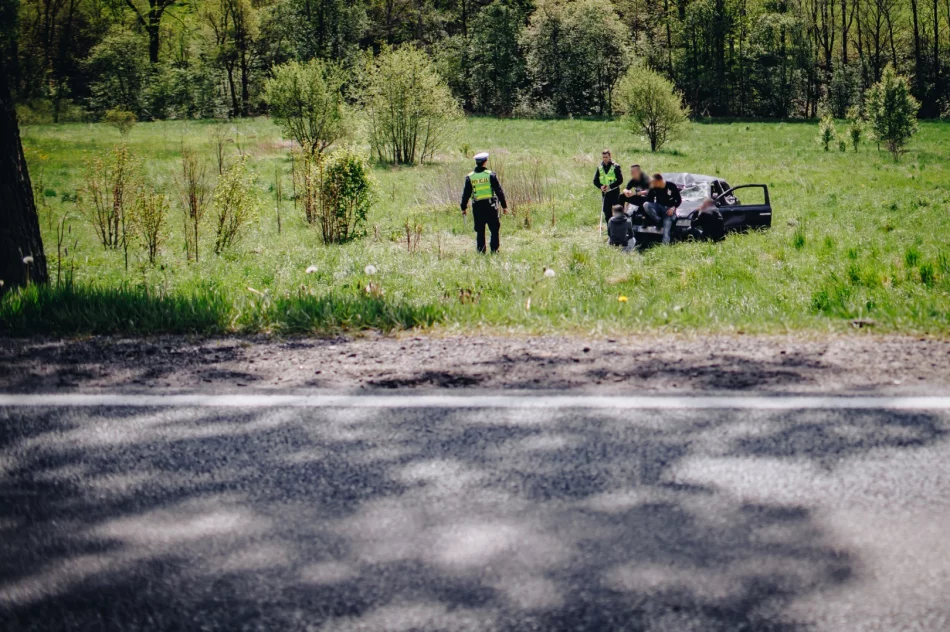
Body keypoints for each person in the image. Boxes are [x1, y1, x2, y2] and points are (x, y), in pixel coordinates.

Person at [460, 151, 508, 253]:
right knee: (494, 229)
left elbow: (466, 194)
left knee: (480, 230)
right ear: (485, 162)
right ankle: (494, 250)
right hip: (490, 206)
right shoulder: (490, 175)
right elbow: (499, 191)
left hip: (477, 207)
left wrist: (463, 208)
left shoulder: (470, 177)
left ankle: (481, 251)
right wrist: (504, 206)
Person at [642, 173, 682, 245]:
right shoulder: (654, 188)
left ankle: (665, 245)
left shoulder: (671, 186)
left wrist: (673, 209)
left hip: (669, 210)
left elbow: (678, 200)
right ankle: (658, 220)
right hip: (659, 207)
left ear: (659, 181)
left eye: (654, 183)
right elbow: (648, 200)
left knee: (666, 229)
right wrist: (645, 216)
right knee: (646, 204)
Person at [592, 149, 623, 223]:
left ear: (610, 157)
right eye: (603, 157)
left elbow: (620, 180)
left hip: (614, 192)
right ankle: (610, 228)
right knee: (606, 211)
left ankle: (619, 226)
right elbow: (595, 181)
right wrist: (601, 187)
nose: (605, 159)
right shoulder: (600, 167)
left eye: (606, 157)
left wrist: (610, 186)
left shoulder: (615, 166)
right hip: (605, 193)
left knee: (617, 211)